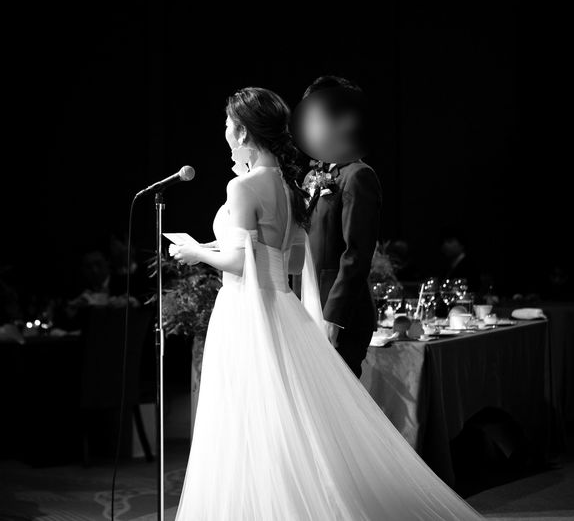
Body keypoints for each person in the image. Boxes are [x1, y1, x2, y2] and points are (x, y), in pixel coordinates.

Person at [171, 87, 481, 520]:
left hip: (245, 310)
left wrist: (195, 252)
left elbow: (240, 262)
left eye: (227, 123)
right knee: (283, 415)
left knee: (247, 416)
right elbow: (290, 259)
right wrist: (216, 246)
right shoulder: (288, 187)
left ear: (242, 131)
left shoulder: (241, 186)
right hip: (282, 309)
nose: (223, 130)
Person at [297, 76, 381, 377]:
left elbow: (356, 254)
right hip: (308, 303)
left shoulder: (357, 175)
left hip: (341, 313)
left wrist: (334, 316)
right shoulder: (311, 177)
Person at [440, 226, 481, 292]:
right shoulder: (449, 266)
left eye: (449, 241)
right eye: (443, 242)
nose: (445, 245)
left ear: (462, 244)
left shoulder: (469, 265)